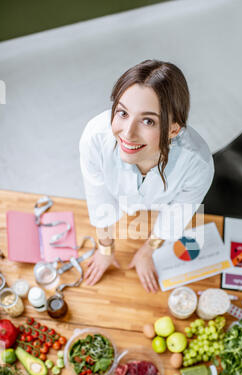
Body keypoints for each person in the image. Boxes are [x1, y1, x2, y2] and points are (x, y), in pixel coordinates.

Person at [79, 59, 214, 293]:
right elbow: (100, 200)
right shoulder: (94, 138)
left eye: (148, 120)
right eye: (122, 112)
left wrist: (147, 251)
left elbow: (174, 217)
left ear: (174, 129)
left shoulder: (197, 165)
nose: (127, 133)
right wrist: (106, 250)